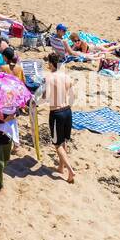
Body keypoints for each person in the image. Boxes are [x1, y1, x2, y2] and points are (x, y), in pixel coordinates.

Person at [42, 52, 75, 184]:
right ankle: (61, 167)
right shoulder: (66, 76)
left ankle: (70, 170)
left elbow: (45, 96)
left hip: (56, 113)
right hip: (68, 111)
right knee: (64, 142)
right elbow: (72, 93)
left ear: (51, 63)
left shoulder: (49, 77)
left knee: (57, 144)